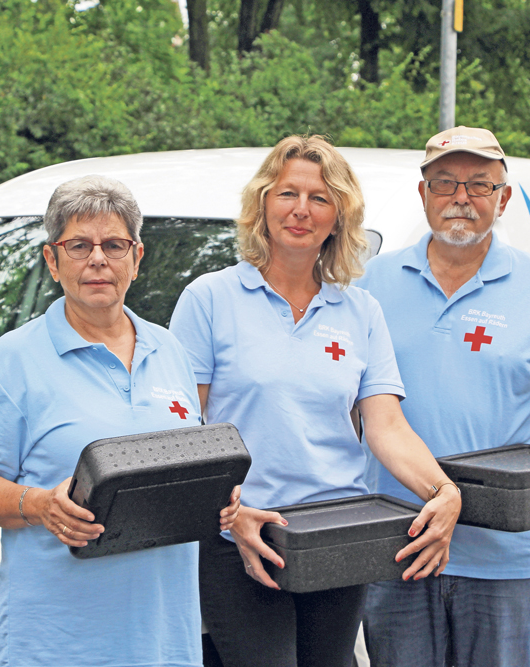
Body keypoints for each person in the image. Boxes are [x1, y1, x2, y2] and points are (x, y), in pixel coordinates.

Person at [169, 135, 462, 667]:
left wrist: (444, 491)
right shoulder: (209, 299)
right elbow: (185, 430)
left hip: (336, 534)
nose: (301, 209)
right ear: (263, 203)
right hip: (243, 535)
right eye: (287, 193)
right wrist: (230, 517)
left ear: (338, 219)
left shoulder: (361, 312)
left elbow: (386, 426)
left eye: (320, 199)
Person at [357, 126, 530, 667]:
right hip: (396, 550)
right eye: (445, 183)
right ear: (423, 194)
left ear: (503, 198)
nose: (460, 197)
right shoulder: (371, 285)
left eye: (479, 185)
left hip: (506, 561)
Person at [0, 175, 240, 667]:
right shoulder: (16, 359)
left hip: (162, 639)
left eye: (114, 244)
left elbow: (184, 466)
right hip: (58, 643)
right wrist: (41, 504)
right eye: (79, 245)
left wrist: (218, 498)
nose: (98, 260)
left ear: (137, 257)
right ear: (52, 260)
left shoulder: (169, 350)